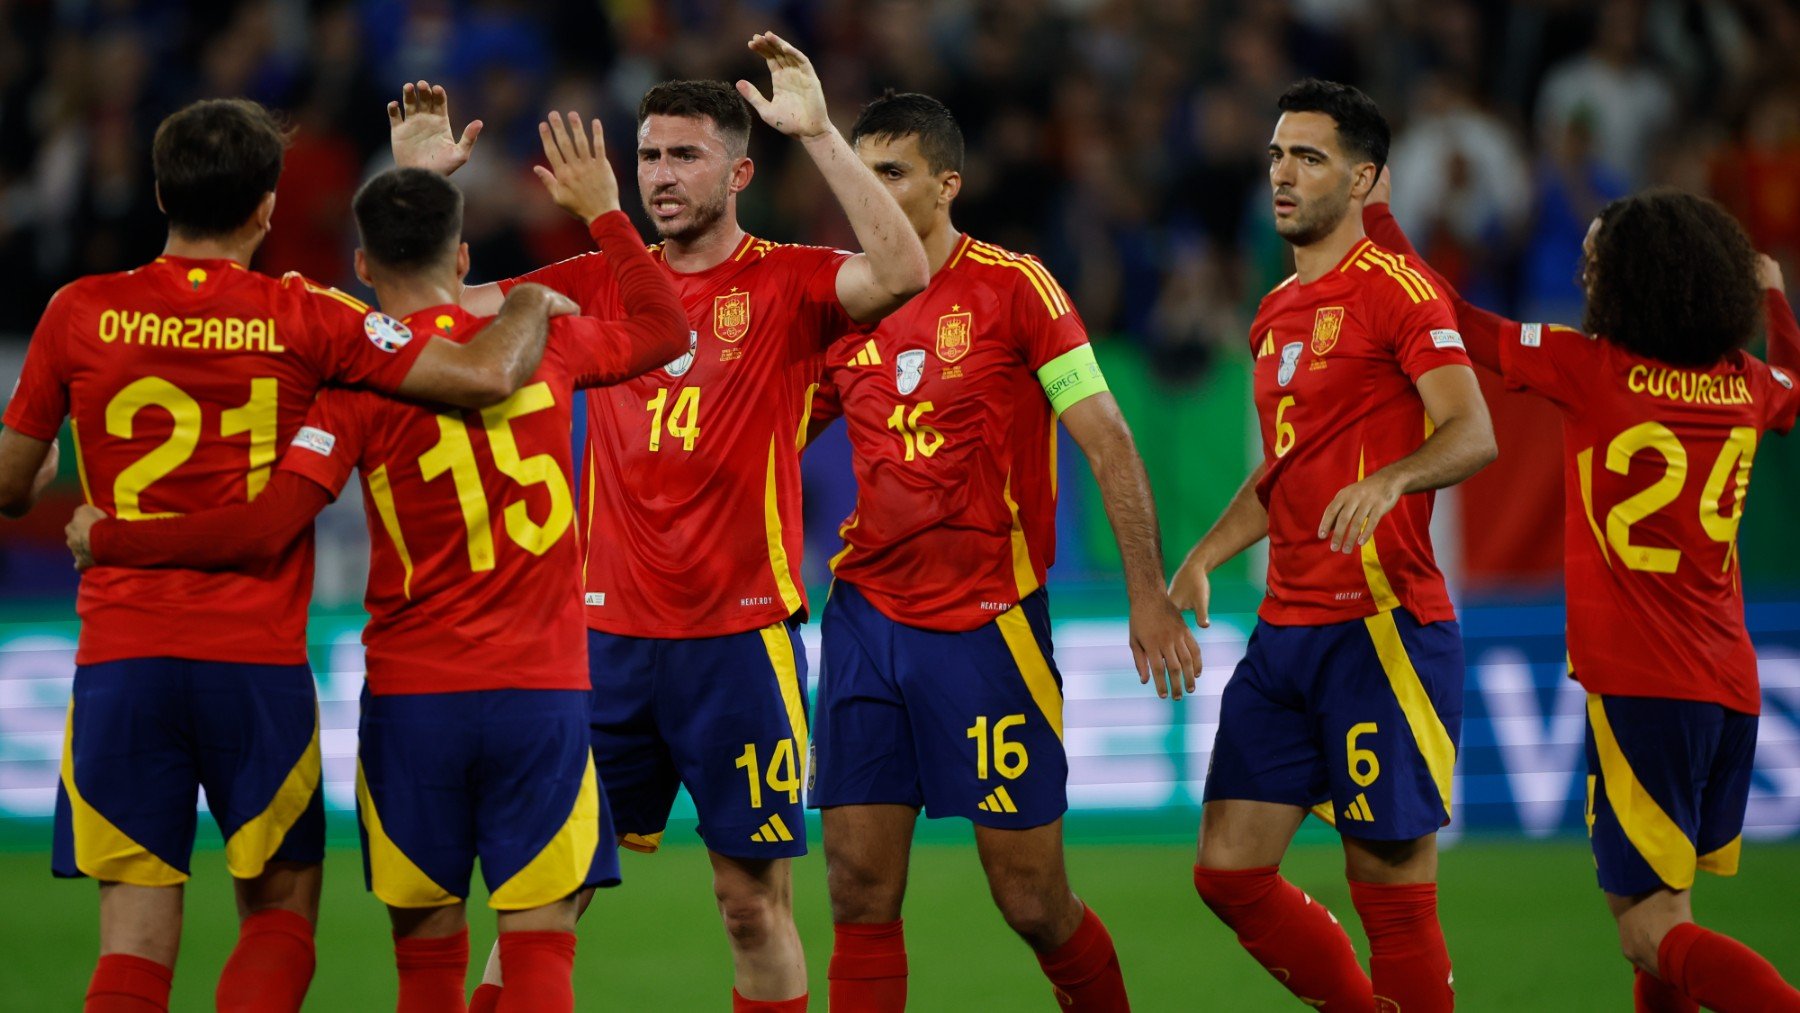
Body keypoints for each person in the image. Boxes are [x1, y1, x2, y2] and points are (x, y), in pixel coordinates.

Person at [67, 113, 687, 1011]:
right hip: (542, 691)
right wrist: (605, 215)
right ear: (466, 256)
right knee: (542, 951)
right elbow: (666, 327)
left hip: (412, 703)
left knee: (428, 965)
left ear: (361, 267)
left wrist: (110, 536)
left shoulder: (352, 389)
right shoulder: (552, 345)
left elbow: (270, 521)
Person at [391, 34, 930, 1013]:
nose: (659, 176)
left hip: (740, 642)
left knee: (750, 906)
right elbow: (419, 317)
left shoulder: (792, 281)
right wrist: (415, 187)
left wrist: (820, 133)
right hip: (597, 646)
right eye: (647, 155)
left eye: (684, 155)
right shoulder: (595, 280)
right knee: (542, 900)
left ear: (740, 170)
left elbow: (902, 270)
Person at [1365, 174, 1800, 1013]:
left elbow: (1450, 315)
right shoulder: (1745, 385)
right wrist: (1776, 299)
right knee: (1666, 920)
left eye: (1596, 261)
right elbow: (1793, 386)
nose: (1581, 276)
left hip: (1642, 685)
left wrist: (1375, 211)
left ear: (1637, 278)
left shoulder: (1586, 368)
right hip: (1730, 686)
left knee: (1647, 928)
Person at [801, 91, 1197, 1013]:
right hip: (863, 620)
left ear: (948, 184)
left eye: (890, 171)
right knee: (858, 890)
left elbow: (1105, 435)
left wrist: (1145, 591)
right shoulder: (843, 303)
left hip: (985, 626)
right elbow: (768, 438)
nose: (870, 188)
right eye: (859, 170)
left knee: (1029, 898)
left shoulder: (1016, 289)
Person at [1167, 79, 1496, 1013]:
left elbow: (1473, 431)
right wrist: (1206, 553)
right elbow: (1284, 473)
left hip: (1382, 626)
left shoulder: (1401, 293)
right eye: (1277, 153)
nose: (1283, 173)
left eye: (1308, 157)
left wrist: (1394, 477)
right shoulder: (1274, 311)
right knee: (1227, 872)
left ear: (1365, 181)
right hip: (1287, 632)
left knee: (1387, 882)